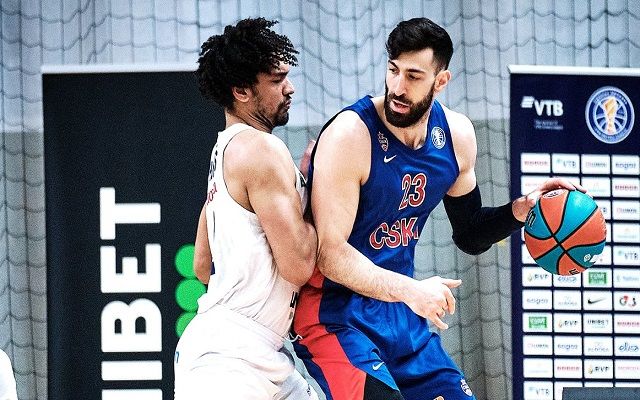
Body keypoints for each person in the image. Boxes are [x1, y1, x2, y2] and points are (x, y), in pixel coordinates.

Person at [292, 17, 581, 400]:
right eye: (393, 70)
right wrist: (411, 290)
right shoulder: (350, 135)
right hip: (335, 315)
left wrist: (521, 209)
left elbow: (470, 234)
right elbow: (330, 254)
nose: (398, 87)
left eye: (413, 76)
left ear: (440, 80)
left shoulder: (456, 136)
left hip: (400, 315)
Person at [174, 17, 318, 400]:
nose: (290, 88)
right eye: (277, 79)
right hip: (228, 363)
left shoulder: (223, 150)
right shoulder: (261, 150)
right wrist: (319, 195)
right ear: (241, 90)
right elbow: (298, 266)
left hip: (252, 349)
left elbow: (201, 265)